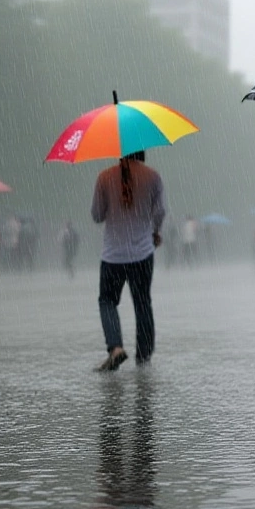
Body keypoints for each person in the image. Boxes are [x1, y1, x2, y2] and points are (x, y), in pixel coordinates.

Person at [93, 150, 165, 370]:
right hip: (142, 253)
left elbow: (97, 215)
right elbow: (160, 211)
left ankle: (115, 347)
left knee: (107, 301)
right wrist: (155, 231)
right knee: (142, 303)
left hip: (113, 256)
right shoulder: (153, 176)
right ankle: (144, 357)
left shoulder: (104, 177)